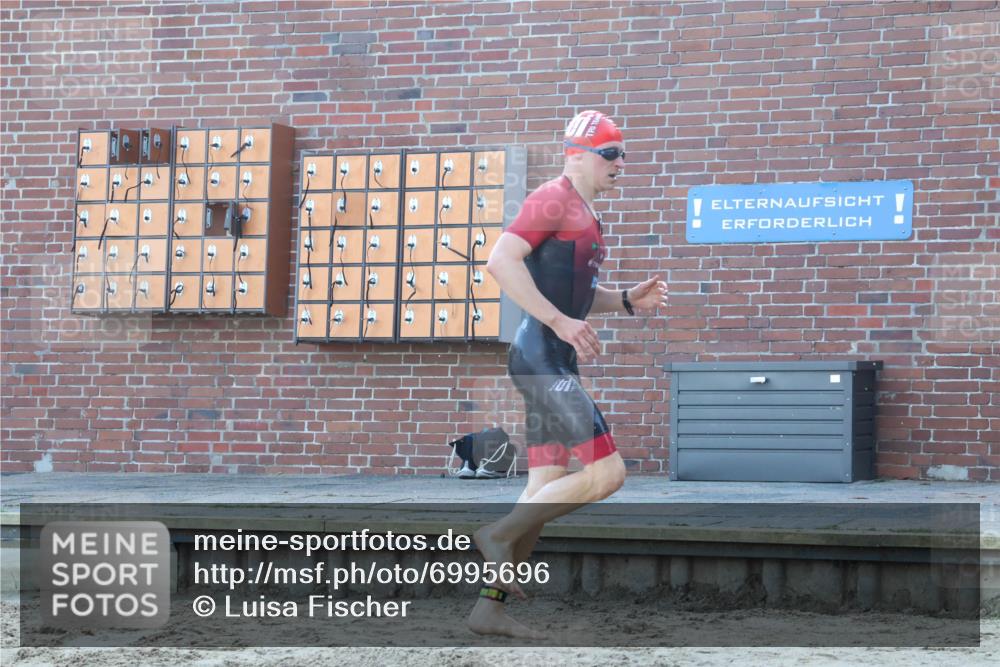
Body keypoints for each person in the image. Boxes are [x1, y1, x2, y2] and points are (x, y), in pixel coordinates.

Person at [467, 110, 668, 638]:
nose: (620, 163)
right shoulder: (553, 198)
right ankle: (494, 535)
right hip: (540, 359)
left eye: (623, 153)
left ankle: (489, 608)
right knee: (608, 474)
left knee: (544, 492)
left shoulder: (585, 212)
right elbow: (500, 260)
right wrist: (558, 321)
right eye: (611, 154)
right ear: (577, 154)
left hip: (550, 361)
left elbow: (574, 292)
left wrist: (625, 300)